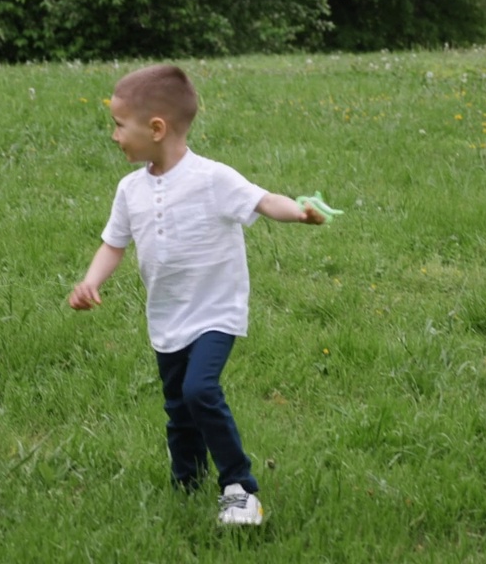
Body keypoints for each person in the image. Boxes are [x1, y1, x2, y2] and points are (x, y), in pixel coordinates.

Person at [68, 64, 326, 526]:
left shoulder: (212, 178)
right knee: (178, 408)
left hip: (215, 312)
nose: (114, 136)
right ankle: (186, 481)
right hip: (166, 317)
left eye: (119, 125)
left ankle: (240, 487)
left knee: (199, 390)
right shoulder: (130, 190)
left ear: (156, 128)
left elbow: (264, 200)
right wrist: (91, 281)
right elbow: (114, 243)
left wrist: (300, 212)